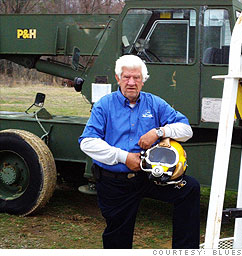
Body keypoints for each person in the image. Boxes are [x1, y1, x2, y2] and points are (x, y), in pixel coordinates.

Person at [78, 55, 200, 249]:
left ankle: (185, 249)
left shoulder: (155, 104)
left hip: (148, 177)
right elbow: (87, 143)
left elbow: (187, 130)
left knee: (189, 188)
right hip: (114, 181)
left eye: (136, 78)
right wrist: (124, 157)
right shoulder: (104, 105)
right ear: (118, 79)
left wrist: (159, 131)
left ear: (143, 80)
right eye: (126, 77)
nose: (131, 82)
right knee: (117, 237)